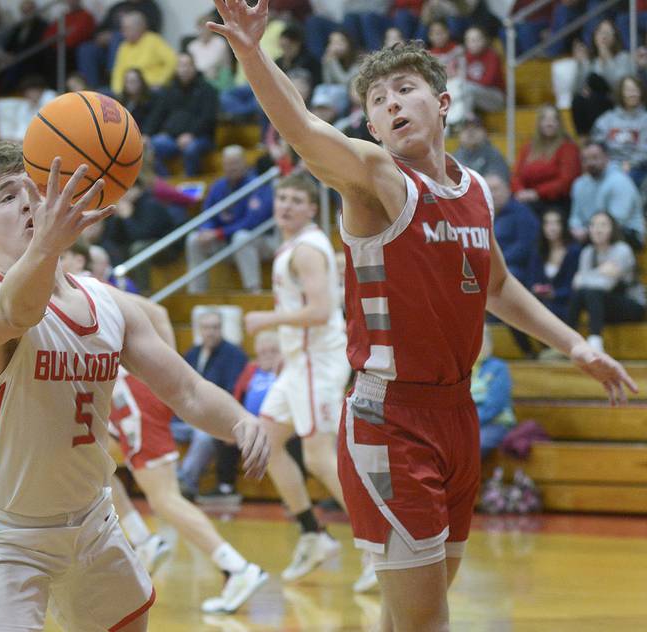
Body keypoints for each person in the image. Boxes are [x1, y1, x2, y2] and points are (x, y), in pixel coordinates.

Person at [209, 4, 635, 629]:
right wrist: (251, 52)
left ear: (442, 103)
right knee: (426, 621)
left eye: (404, 89)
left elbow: (499, 287)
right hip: (390, 418)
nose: (390, 104)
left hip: (457, 416)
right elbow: (301, 128)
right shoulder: (377, 180)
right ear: (374, 128)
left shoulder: (477, 192)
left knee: (414, 614)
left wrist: (576, 346)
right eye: (377, 101)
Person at [0, 141, 269, 631]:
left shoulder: (109, 304)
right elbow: (19, 311)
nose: (30, 201)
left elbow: (186, 390)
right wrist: (48, 246)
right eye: (8, 197)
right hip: (7, 533)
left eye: (34, 188)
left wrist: (240, 420)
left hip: (92, 523)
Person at [108, 301, 268, 614]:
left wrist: (163, 375)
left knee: (165, 498)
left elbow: (159, 313)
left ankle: (237, 568)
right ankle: (143, 540)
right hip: (114, 400)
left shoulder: (90, 286)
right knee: (92, 465)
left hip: (133, 397)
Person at [243, 174, 353, 583]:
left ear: (311, 208)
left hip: (317, 360)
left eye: (295, 200)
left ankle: (382, 546)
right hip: (298, 361)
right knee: (264, 442)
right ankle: (313, 534)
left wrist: (267, 319)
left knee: (319, 458)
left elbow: (322, 311)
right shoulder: (296, 246)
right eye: (281, 198)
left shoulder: (306, 249)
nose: (285, 205)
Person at [198, 328, 283, 503]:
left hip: (279, 425)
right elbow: (237, 395)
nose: (267, 356)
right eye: (263, 352)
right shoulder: (251, 370)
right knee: (224, 434)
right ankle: (225, 488)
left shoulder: (286, 372)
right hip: (251, 424)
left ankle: (293, 494)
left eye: (273, 351)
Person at [172, 308, 248, 499]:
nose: (211, 332)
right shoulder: (192, 353)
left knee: (204, 437)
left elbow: (232, 392)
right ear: (199, 330)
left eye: (215, 327)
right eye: (206, 327)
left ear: (221, 329)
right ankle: (170, 481)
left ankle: (183, 483)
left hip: (211, 419)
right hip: (184, 417)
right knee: (157, 429)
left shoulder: (234, 355)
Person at [185, 144, 275, 294]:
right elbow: (207, 214)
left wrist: (220, 233)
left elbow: (252, 222)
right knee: (193, 239)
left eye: (235, 163)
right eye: (227, 164)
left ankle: (254, 291)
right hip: (226, 241)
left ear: (244, 163)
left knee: (241, 237)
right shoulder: (218, 186)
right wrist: (206, 230)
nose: (231, 168)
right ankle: (196, 293)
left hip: (259, 240)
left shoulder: (257, 185)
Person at [568, 212, 646, 354]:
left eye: (603, 225)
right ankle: (567, 343)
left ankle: (595, 341)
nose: (598, 229)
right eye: (593, 225)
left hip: (631, 305)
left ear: (612, 229)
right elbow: (577, 285)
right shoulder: (587, 252)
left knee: (592, 292)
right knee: (579, 295)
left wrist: (584, 276)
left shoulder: (622, 250)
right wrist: (600, 272)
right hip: (602, 306)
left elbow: (605, 285)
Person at [142, 53, 218, 177]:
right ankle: (167, 183)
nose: (184, 69)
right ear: (176, 69)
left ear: (194, 67)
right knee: (149, 147)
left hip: (200, 137)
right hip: (172, 138)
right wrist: (146, 134)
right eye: (181, 66)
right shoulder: (169, 90)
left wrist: (191, 134)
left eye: (187, 65)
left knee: (190, 150)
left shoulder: (207, 90)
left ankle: (190, 181)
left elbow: (208, 118)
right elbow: (157, 115)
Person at [569, 141, 645, 251]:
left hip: (625, 233)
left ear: (606, 158)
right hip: (591, 232)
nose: (590, 163)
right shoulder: (578, 184)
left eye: (595, 158)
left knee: (581, 250)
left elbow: (617, 220)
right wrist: (576, 229)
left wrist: (588, 231)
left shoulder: (620, 181)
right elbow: (575, 216)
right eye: (585, 159)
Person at [511, 104, 581, 215]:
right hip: (527, 198)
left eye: (554, 119)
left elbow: (566, 181)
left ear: (559, 123)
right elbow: (516, 176)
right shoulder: (528, 147)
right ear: (539, 123)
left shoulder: (568, 148)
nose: (549, 123)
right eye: (545, 119)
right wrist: (520, 191)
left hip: (555, 201)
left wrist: (537, 193)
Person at [76, 0, 162, 89]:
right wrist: (101, 35)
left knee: (117, 37)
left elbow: (149, 32)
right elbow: (100, 28)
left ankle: (112, 75)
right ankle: (89, 88)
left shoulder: (150, 7)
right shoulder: (118, 6)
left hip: (130, 49)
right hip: (106, 50)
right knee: (86, 49)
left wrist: (115, 36)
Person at [525, 208, 581, 329]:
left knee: (548, 311)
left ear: (563, 225)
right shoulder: (538, 251)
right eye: (548, 223)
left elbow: (574, 286)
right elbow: (532, 280)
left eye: (556, 223)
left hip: (565, 303)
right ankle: (531, 349)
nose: (552, 227)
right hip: (542, 301)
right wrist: (536, 289)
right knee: (516, 313)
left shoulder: (574, 251)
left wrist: (555, 294)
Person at [590, 75, 647, 187]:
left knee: (621, 180)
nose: (633, 94)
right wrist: (605, 163)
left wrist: (630, 164)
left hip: (636, 168)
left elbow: (644, 151)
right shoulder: (607, 119)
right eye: (628, 90)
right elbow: (596, 144)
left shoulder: (645, 119)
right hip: (609, 166)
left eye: (636, 90)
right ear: (621, 93)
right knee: (582, 183)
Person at [486, 173, 539, 285]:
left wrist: (497, 262)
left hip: (514, 267)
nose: (493, 194)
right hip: (490, 265)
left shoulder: (522, 213)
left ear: (508, 189)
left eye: (496, 189)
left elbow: (524, 246)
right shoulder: (483, 213)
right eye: (489, 190)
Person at [471, 327, 516, 459]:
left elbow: (494, 405)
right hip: (465, 425)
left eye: (484, 340)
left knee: (474, 445)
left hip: (495, 423)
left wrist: (467, 423)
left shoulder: (498, 367)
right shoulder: (462, 368)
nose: (481, 344)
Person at [110, 11, 177, 94]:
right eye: (123, 29)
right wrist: (117, 92)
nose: (123, 32)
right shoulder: (124, 46)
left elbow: (173, 61)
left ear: (140, 27)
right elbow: (118, 72)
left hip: (150, 89)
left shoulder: (153, 40)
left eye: (127, 28)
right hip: (128, 91)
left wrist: (161, 82)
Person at [452, 116, 509, 181]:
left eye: (476, 127)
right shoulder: (454, 158)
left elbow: (496, 182)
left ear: (484, 132)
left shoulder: (493, 154)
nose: (471, 131)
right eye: (466, 128)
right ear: (459, 134)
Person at [462, 26, 504, 114]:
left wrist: (468, 83)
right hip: (473, 96)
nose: (474, 43)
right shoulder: (465, 57)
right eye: (470, 40)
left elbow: (487, 81)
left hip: (495, 97)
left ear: (485, 40)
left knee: (466, 88)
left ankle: (464, 122)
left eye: (477, 39)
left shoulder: (492, 56)